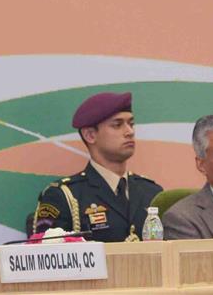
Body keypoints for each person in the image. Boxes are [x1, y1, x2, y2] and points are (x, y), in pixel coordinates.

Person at [30, 91, 162, 241]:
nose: (129, 132)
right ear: (90, 135)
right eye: (117, 125)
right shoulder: (64, 196)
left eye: (131, 124)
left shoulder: (152, 192)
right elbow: (49, 256)